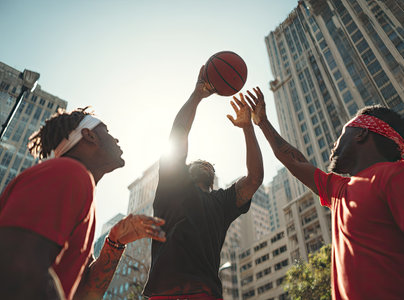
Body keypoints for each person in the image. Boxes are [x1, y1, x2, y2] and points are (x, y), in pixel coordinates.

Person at [245, 87, 404, 300]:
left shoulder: (403, 176)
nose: (335, 144)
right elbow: (293, 161)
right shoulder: (340, 191)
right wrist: (262, 122)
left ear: (361, 133)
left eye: (342, 133)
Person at [0, 108, 166, 300]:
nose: (116, 140)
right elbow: (15, 263)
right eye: (107, 130)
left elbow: (86, 293)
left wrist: (114, 243)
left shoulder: (74, 183)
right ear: (89, 135)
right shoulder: (67, 172)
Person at [143, 67, 264, 299]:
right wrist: (197, 95)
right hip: (164, 292)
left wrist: (248, 127)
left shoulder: (222, 203)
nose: (206, 165)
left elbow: (255, 179)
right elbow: (179, 134)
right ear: (186, 171)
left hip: (204, 292)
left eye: (211, 166)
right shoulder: (174, 185)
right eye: (199, 163)